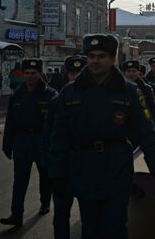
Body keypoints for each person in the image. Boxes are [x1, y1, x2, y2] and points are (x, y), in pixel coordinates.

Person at [48, 34, 155, 239]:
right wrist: (57, 173)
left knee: (115, 227)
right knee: (90, 228)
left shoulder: (129, 92)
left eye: (102, 56)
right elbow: (59, 136)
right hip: (84, 167)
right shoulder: (71, 92)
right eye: (91, 56)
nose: (95, 60)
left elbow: (146, 134)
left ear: (113, 59)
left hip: (116, 167)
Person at [0, 58, 57, 227]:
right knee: (19, 180)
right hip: (22, 141)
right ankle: (16, 214)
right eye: (27, 73)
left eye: (34, 73)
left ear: (40, 74)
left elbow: (56, 123)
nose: (30, 77)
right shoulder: (18, 94)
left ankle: (45, 202)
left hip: (42, 141)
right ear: (23, 74)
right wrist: (7, 143)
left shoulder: (50, 94)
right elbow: (10, 121)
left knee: (45, 177)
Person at [43, 55, 86, 239]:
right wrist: (51, 171)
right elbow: (48, 138)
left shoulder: (100, 101)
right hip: (63, 168)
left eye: (80, 73)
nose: (75, 77)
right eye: (72, 73)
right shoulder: (57, 101)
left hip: (88, 168)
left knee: (90, 218)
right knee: (60, 216)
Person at [122, 60, 155, 129]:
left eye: (134, 71)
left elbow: (153, 108)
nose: (131, 74)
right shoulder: (119, 88)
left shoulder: (146, 88)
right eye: (128, 71)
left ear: (138, 72)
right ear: (124, 73)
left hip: (142, 125)